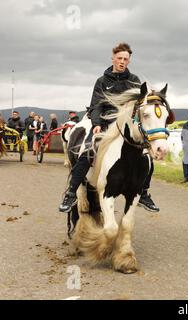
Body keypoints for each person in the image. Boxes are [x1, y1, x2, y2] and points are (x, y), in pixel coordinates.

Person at [59, 42, 159, 213]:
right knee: (88, 151)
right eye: (119, 58)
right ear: (113, 58)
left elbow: (139, 105)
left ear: (129, 61)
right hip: (104, 123)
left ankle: (143, 192)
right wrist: (97, 124)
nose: (122, 62)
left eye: (125, 59)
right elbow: (95, 106)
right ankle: (71, 192)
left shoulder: (134, 80)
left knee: (147, 155)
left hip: (126, 125)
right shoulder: (102, 81)